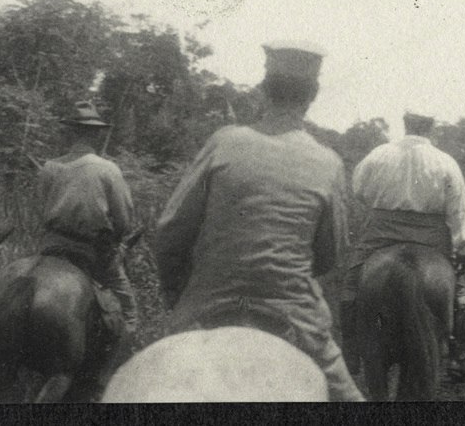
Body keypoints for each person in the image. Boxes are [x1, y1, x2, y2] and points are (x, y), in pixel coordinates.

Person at [154, 42, 364, 402]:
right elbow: (330, 256)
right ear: (312, 95)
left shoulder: (224, 142)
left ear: (264, 88)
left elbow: (171, 228)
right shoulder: (328, 163)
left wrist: (177, 292)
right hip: (295, 316)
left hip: (205, 305)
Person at [343, 111, 465, 382]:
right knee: (460, 295)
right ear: (431, 126)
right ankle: (456, 354)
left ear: (405, 124)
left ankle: (350, 350)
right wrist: (462, 248)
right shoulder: (446, 162)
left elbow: (358, 189)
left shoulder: (378, 155)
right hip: (431, 237)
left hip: (381, 232)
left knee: (350, 285)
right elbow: (458, 211)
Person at [35, 100, 139, 345]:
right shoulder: (108, 169)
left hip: (51, 245)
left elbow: (40, 212)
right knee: (128, 308)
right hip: (91, 249)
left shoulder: (50, 167)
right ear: (96, 134)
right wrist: (116, 237)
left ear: (70, 133)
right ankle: (120, 355)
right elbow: (124, 221)